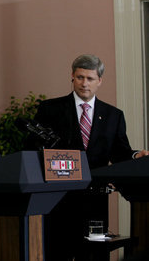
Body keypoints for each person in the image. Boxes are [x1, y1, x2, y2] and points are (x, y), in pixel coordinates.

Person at [29, 54, 149, 260]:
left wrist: (136, 155)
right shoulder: (50, 109)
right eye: (80, 77)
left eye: (90, 79)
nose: (85, 84)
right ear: (72, 77)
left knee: (94, 256)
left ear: (100, 81)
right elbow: (33, 150)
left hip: (95, 200)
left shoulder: (114, 115)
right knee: (57, 253)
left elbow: (120, 153)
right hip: (59, 200)